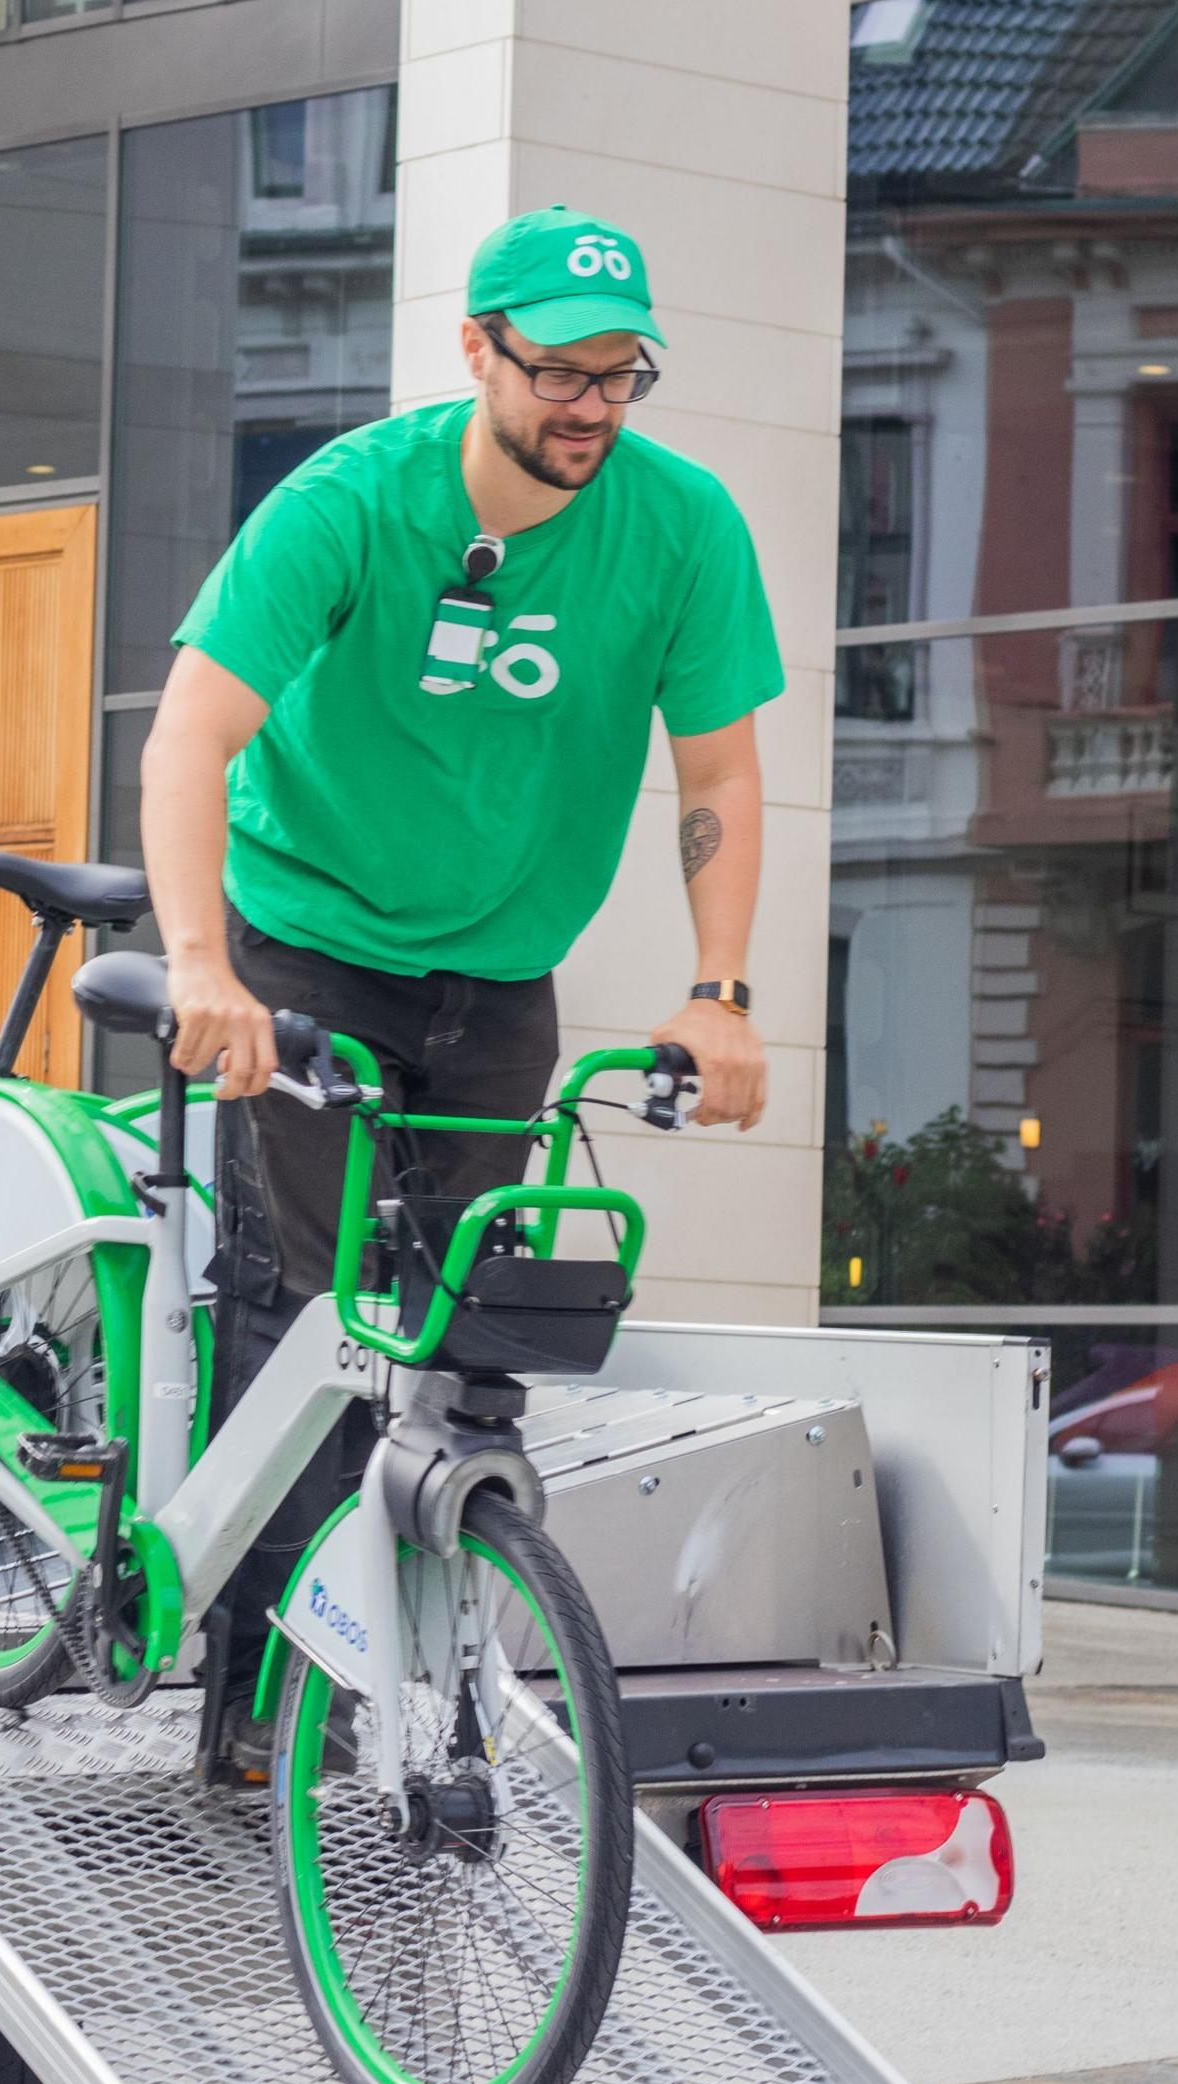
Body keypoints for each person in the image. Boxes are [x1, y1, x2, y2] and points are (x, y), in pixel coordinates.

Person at [142, 204, 783, 1782]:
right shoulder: (355, 501)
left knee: (460, 1335)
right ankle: (255, 1694)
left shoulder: (681, 527)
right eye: (559, 371)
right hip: (302, 945)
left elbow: (721, 769)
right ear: (476, 352)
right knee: (302, 1317)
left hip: (495, 978)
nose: (591, 408)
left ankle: (415, 1663)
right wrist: (204, 968)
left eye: (622, 376)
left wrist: (720, 990)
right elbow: (188, 738)